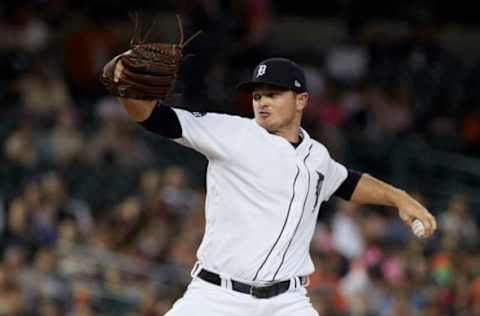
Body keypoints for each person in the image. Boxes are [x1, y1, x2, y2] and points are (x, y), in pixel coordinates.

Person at [113, 57, 437, 316]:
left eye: (273, 93)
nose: (262, 101)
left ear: (302, 100)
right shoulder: (231, 133)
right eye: (257, 95)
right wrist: (124, 84)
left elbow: (347, 182)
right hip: (217, 297)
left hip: (288, 302)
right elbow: (156, 118)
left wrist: (399, 198)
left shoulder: (317, 156)